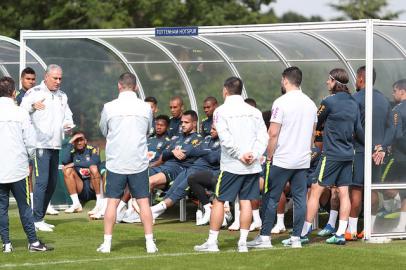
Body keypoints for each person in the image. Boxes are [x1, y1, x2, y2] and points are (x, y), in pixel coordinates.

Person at [194, 77, 268, 253]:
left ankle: (212, 242)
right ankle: (242, 242)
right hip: (251, 165)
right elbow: (263, 136)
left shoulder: (221, 111)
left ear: (225, 90)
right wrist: (254, 154)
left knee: (219, 200)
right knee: (246, 201)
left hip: (232, 165)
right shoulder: (254, 111)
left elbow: (225, 139)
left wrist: (240, 155)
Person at [248, 66, 318, 249]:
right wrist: (307, 152)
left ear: (285, 80)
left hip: (282, 158)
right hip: (302, 159)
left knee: (271, 197)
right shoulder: (311, 104)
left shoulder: (281, 102)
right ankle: (296, 238)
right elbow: (312, 134)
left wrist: (269, 155)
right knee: (300, 199)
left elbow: (273, 133)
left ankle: (265, 238)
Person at [300, 68, 364, 245]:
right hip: (347, 155)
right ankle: (341, 234)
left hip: (331, 155)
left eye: (328, 80)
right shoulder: (353, 102)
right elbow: (359, 130)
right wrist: (372, 147)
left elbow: (315, 122)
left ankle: (303, 233)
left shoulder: (329, 102)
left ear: (335, 81)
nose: (326, 83)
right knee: (344, 193)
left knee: (315, 190)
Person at [97, 72, 157, 253]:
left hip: (116, 161)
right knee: (144, 202)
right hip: (138, 161)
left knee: (112, 203)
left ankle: (107, 244)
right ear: (136, 87)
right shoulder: (145, 108)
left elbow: (104, 130)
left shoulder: (109, 107)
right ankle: (150, 243)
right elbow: (148, 130)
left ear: (119, 86)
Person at [0, 76, 52, 252]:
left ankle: (7, 244)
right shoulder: (20, 112)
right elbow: (30, 141)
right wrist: (30, 159)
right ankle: (33, 242)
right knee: (24, 206)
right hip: (18, 167)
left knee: (1, 207)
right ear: (14, 93)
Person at [21, 64, 74, 232]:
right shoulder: (34, 92)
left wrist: (68, 125)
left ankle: (40, 217)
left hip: (55, 144)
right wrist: (31, 107)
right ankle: (36, 220)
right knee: (42, 182)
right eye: (55, 78)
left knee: (51, 183)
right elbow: (21, 112)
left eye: (60, 78)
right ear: (46, 77)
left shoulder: (62, 96)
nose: (58, 81)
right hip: (39, 145)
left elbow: (68, 116)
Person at [347, 66, 394, 240]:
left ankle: (351, 230)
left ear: (360, 79)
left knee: (357, 189)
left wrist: (370, 144)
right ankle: (369, 228)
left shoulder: (355, 98)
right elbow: (392, 129)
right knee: (373, 189)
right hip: (378, 154)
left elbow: (356, 126)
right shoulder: (384, 100)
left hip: (360, 150)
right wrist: (380, 147)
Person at [150, 124, 221, 223]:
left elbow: (213, 158)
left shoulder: (224, 142)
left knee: (181, 187)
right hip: (193, 168)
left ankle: (152, 210)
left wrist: (202, 151)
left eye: (214, 129)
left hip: (206, 172)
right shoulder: (208, 139)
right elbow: (193, 151)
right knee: (173, 187)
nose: (210, 131)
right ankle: (154, 213)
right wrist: (206, 152)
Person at [148, 110, 203, 192]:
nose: (183, 125)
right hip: (164, 166)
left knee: (148, 182)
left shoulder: (198, 138)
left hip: (177, 169)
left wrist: (171, 152)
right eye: (182, 122)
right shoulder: (176, 137)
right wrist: (173, 151)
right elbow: (164, 154)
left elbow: (183, 154)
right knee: (136, 177)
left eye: (186, 122)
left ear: (194, 123)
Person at [381, 79, 406, 232]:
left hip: (399, 156)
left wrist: (385, 146)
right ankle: (402, 226)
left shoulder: (397, 109)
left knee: (381, 184)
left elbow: (395, 134)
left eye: (395, 91)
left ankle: (391, 208)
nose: (393, 93)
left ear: (402, 91)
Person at [61, 131, 103, 214]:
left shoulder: (93, 149)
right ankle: (76, 203)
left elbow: (94, 162)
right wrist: (70, 143)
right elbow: (64, 161)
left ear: (85, 141)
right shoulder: (72, 152)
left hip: (93, 186)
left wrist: (74, 163)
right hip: (81, 187)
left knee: (93, 168)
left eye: (81, 140)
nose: (79, 142)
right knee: (67, 170)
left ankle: (99, 203)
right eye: (76, 140)